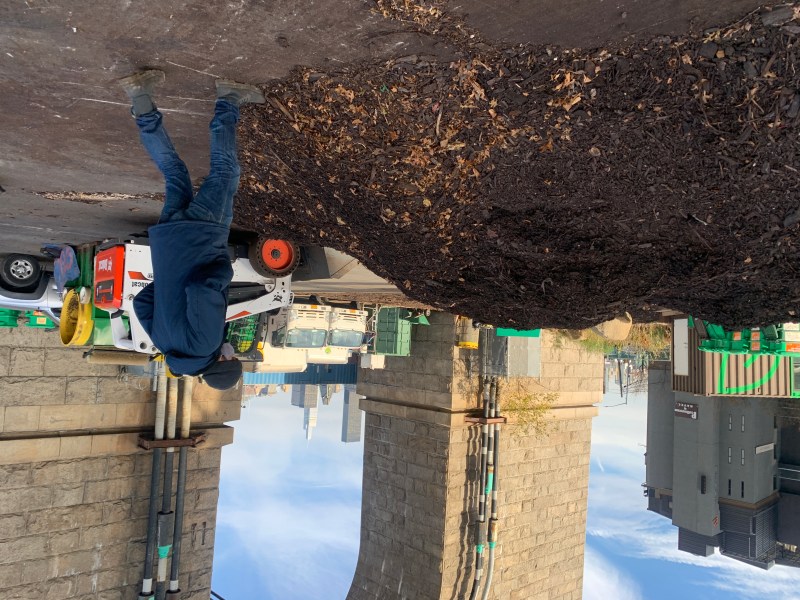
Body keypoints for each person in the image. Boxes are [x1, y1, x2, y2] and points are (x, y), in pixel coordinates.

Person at [118, 69, 265, 390]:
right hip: (170, 241)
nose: (231, 351)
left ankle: (229, 98)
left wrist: (224, 271)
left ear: (223, 363)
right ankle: (139, 97)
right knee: (174, 172)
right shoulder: (164, 344)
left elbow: (202, 289)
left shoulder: (206, 345)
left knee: (226, 172)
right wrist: (172, 276)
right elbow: (142, 302)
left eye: (232, 357)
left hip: (201, 237)